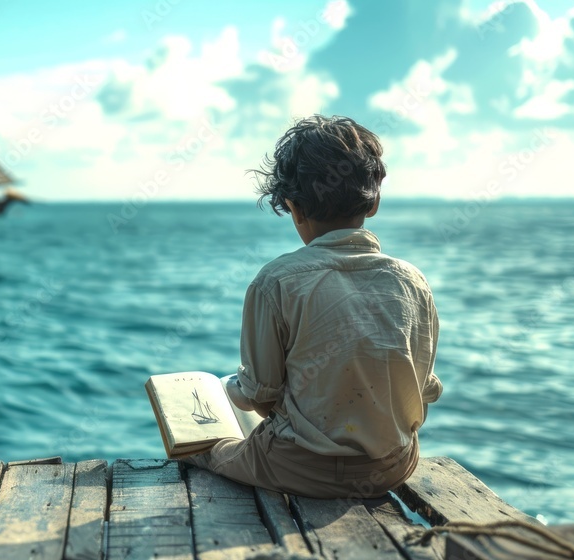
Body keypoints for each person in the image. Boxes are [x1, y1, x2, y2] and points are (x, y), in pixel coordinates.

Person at [184, 115, 443, 499]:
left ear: (294, 208)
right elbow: (422, 389)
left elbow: (260, 395)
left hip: (299, 467)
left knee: (200, 446)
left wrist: (230, 391)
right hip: (393, 466)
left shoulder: (276, 281)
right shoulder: (413, 282)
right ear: (373, 203)